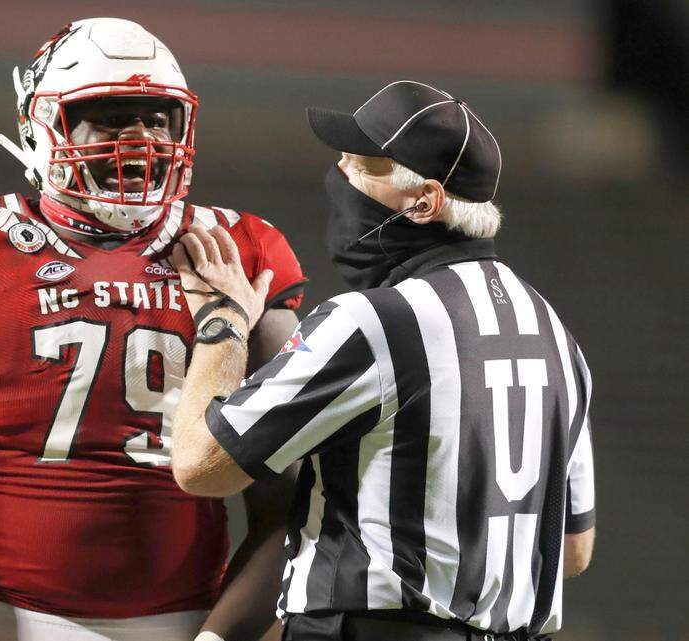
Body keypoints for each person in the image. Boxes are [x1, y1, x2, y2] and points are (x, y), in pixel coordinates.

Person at [0, 18, 307, 641]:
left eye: (158, 117)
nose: (140, 139)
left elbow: (295, 502)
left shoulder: (240, 251)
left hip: (184, 622)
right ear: (41, 123)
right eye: (110, 115)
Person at [168, 81, 595, 641]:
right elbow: (571, 549)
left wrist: (220, 324)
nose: (340, 174)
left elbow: (201, 466)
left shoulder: (377, 321)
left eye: (364, 165)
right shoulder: (553, 331)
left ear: (424, 202)